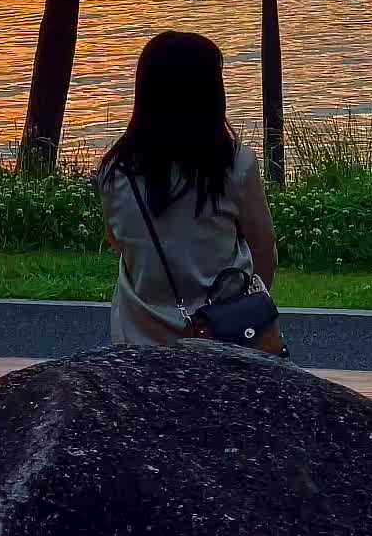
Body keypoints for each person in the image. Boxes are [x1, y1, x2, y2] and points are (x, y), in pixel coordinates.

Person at [98, 29, 278, 347]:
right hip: (226, 338)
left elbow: (119, 243)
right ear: (211, 93)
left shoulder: (115, 171)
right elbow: (264, 250)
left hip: (137, 341)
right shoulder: (235, 165)